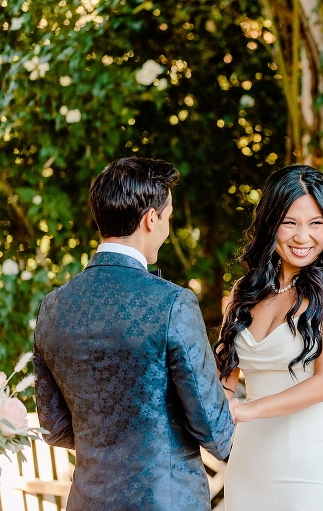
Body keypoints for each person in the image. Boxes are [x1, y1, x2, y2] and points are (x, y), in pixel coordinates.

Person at [33, 157, 234, 511]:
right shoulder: (173, 303)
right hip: (166, 501)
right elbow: (214, 431)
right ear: (151, 219)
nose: (167, 228)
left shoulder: (52, 308)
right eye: (169, 217)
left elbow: (53, 427)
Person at [217, 165, 323, 511]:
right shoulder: (244, 290)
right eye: (290, 222)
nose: (303, 237)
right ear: (271, 222)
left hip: (312, 463)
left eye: (315, 223)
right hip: (249, 462)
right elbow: (223, 375)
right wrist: (211, 409)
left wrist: (246, 410)